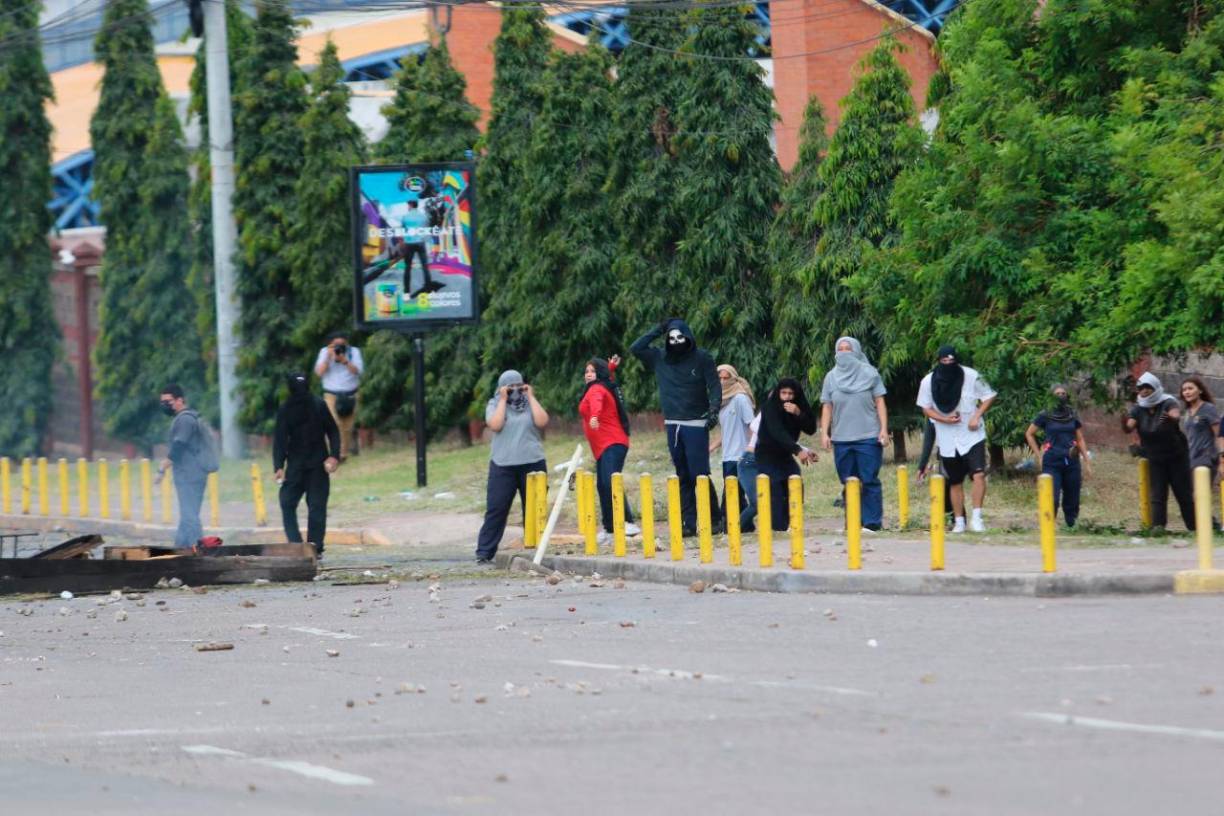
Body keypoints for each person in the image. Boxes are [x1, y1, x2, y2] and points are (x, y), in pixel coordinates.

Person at [630, 318, 722, 536]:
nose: (676, 341)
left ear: (688, 336)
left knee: (699, 473)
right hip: (673, 423)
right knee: (682, 474)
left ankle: (715, 519)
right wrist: (661, 328)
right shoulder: (660, 357)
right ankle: (688, 524)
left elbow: (714, 385)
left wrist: (713, 410)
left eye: (680, 337)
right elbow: (636, 348)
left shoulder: (701, 358)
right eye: (671, 338)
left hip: (695, 423)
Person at [916, 345, 996, 533]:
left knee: (978, 474)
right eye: (944, 361)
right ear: (938, 362)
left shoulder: (971, 375)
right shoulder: (928, 382)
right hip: (947, 438)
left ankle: (977, 518)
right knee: (955, 481)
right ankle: (959, 521)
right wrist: (944, 419)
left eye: (951, 361)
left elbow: (989, 395)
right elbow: (926, 408)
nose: (948, 364)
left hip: (972, 434)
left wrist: (976, 416)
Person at [475, 371, 549, 564]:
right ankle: (484, 552)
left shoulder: (529, 404)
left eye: (519, 385)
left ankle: (536, 549)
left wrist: (530, 396)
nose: (515, 390)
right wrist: (502, 399)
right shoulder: (494, 404)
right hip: (503, 464)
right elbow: (495, 425)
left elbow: (542, 421)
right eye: (510, 386)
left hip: (533, 462)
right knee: (496, 509)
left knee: (534, 509)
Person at [820, 337, 889, 532]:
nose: (843, 353)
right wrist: (825, 432)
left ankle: (872, 523)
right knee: (849, 482)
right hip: (841, 439)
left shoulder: (871, 374)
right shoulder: (830, 377)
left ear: (857, 351)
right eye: (840, 349)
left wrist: (883, 429)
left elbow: (880, 402)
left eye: (847, 349)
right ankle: (853, 522)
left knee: (869, 480)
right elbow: (827, 406)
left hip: (868, 437)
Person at [273, 373, 340, 556]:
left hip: (318, 465)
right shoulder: (286, 409)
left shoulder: (318, 405)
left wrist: (334, 456)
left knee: (317, 506)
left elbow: (333, 431)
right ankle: (296, 545)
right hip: (295, 466)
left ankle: (314, 547)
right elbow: (280, 439)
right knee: (286, 501)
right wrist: (278, 466)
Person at [578, 356, 640, 543]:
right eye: (587, 372)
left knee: (610, 482)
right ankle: (610, 529)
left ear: (599, 374)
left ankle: (627, 523)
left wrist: (595, 416)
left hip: (612, 442)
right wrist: (611, 367)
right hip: (603, 446)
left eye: (592, 371)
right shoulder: (603, 385)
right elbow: (608, 379)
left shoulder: (596, 389)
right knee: (603, 485)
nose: (588, 375)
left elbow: (596, 403)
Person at [1124, 372, 1195, 531]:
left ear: (1155, 387)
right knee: (1158, 495)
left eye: (1147, 387)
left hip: (1176, 455)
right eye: (1141, 388)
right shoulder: (1138, 409)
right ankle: (1158, 528)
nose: (1144, 391)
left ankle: (1194, 528)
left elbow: (1175, 414)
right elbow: (1129, 427)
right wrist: (1124, 422)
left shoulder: (1168, 402)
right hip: (1155, 457)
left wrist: (1171, 418)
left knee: (1183, 493)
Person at [157, 384, 217, 550]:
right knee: (188, 515)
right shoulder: (191, 417)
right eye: (162, 402)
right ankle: (180, 548)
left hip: (189, 475)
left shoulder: (184, 419)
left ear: (179, 400)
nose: (164, 405)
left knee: (190, 517)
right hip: (195, 473)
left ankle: (201, 552)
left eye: (167, 401)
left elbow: (178, 447)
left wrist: (162, 468)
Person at [1025, 384, 1092, 528]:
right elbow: (1029, 434)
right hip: (1052, 461)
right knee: (1052, 496)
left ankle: (1071, 524)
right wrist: (1039, 455)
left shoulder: (1072, 414)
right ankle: (1049, 524)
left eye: (1063, 393)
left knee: (1072, 496)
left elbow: (1079, 438)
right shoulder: (1045, 414)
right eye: (1057, 394)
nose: (1061, 396)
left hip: (1072, 460)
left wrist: (1087, 461)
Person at [755, 379, 818, 531]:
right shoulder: (770, 407)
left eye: (791, 393)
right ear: (778, 393)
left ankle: (792, 524)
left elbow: (811, 428)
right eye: (784, 393)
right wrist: (798, 450)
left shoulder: (798, 406)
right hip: (767, 454)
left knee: (795, 483)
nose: (787, 397)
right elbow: (778, 433)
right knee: (774, 490)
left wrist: (798, 413)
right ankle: (777, 528)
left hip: (784, 455)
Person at [712, 365, 755, 523]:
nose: (723, 382)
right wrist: (711, 447)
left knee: (731, 493)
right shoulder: (722, 403)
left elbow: (752, 426)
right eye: (720, 378)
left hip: (740, 455)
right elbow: (726, 432)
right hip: (727, 456)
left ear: (734, 378)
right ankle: (745, 525)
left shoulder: (740, 399)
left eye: (726, 378)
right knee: (736, 493)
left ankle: (729, 524)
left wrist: (752, 451)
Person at [314, 332, 364, 461]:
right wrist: (328, 358)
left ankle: (342, 454)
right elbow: (319, 373)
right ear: (330, 344)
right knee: (334, 423)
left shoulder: (354, 352)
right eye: (336, 345)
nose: (339, 348)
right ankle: (334, 454)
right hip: (331, 394)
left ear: (347, 343)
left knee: (347, 427)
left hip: (351, 394)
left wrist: (345, 361)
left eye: (342, 345)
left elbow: (358, 371)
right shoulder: (324, 352)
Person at [738, 412, 762, 533]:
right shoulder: (768, 411)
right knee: (757, 503)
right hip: (749, 462)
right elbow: (753, 425)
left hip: (767, 462)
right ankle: (733, 530)